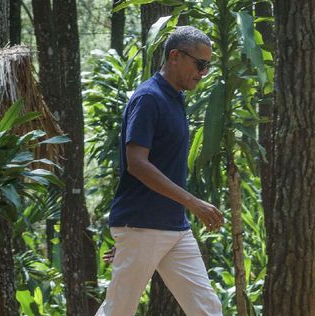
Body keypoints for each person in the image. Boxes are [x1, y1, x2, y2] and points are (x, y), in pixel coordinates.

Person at [96, 26, 224, 316]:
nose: (203, 72)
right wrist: (193, 203)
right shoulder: (149, 98)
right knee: (118, 311)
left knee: (207, 309)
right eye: (200, 64)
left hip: (174, 228)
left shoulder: (175, 98)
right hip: (143, 225)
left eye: (208, 65)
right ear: (175, 56)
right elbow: (137, 164)